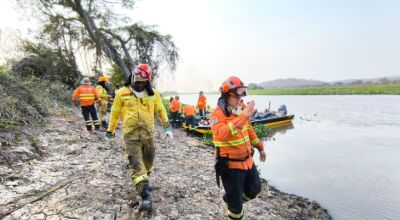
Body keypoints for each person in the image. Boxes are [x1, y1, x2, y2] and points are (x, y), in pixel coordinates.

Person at [105, 64, 173, 212]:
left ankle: (144, 181)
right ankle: (145, 196)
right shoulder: (122, 93)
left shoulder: (153, 93)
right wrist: (110, 130)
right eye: (137, 80)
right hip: (130, 136)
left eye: (143, 82)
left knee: (148, 163)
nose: (139, 84)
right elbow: (115, 112)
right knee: (137, 165)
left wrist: (167, 127)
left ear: (148, 81)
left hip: (148, 135)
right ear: (133, 77)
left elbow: (161, 110)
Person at [210, 76, 267, 220]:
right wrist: (243, 116)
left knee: (255, 189)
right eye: (236, 96)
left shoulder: (241, 110)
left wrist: (260, 147)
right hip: (230, 166)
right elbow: (221, 134)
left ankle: (230, 198)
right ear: (226, 95)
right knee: (236, 209)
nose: (240, 100)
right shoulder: (217, 114)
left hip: (247, 161)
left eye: (242, 96)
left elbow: (249, 130)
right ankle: (233, 203)